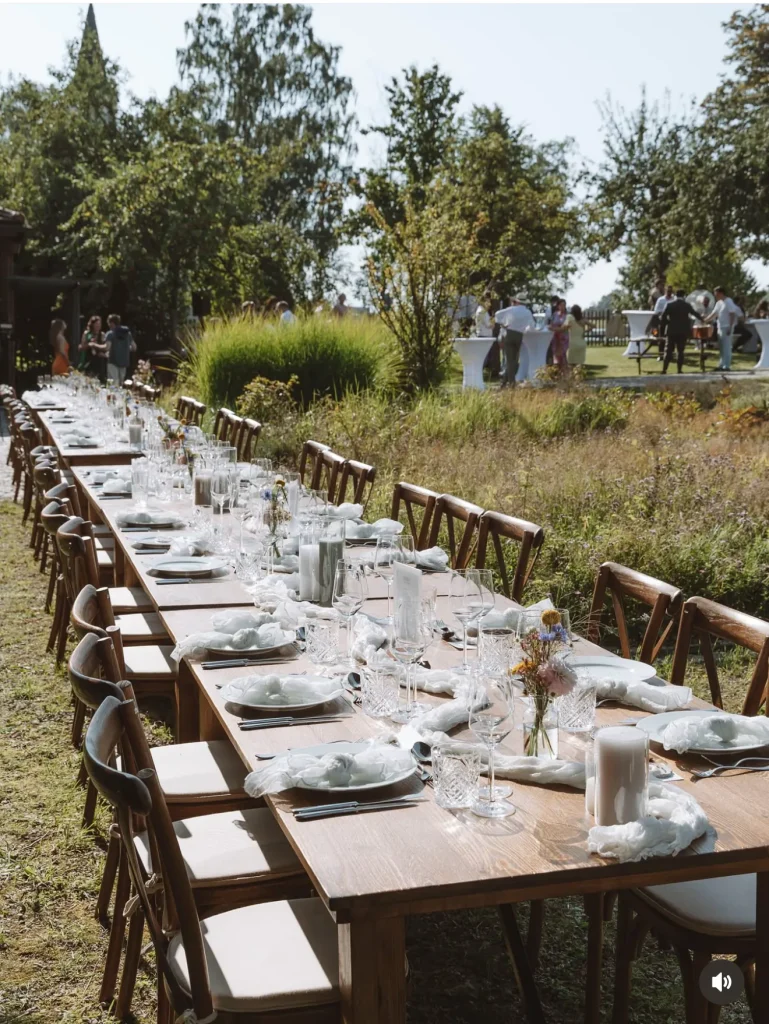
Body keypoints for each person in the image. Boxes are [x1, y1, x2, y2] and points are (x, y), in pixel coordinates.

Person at [494, 293, 535, 386]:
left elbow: (497, 314)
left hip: (509, 333)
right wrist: (525, 329)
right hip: (519, 335)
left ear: (517, 301)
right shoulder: (527, 312)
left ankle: (510, 382)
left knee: (509, 359)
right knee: (514, 359)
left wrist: (502, 324)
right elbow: (531, 326)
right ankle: (506, 381)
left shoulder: (511, 309)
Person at [659, 290, 702, 374]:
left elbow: (663, 317)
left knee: (668, 351)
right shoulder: (687, 305)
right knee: (680, 351)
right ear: (684, 296)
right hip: (683, 331)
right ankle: (679, 370)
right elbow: (694, 313)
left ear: (675, 295)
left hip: (671, 331)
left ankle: (664, 369)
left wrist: (668, 323)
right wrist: (703, 319)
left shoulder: (670, 305)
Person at [705, 286, 739, 370]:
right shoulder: (719, 303)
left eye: (716, 293)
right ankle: (721, 364)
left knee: (726, 346)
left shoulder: (728, 301)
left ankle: (727, 366)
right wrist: (705, 320)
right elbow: (714, 314)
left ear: (721, 293)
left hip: (727, 326)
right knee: (721, 347)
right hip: (720, 326)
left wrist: (730, 327)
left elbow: (732, 314)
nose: (715, 295)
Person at [104, 314, 136, 385]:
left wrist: (95, 345)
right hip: (124, 362)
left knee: (113, 383)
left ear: (111, 323)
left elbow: (107, 348)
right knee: (121, 383)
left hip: (113, 361)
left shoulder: (110, 334)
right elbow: (134, 347)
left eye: (109, 323)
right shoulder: (127, 333)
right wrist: (125, 349)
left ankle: (113, 396)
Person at [78, 314, 107, 379]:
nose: (98, 325)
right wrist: (89, 344)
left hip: (99, 361)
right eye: (96, 324)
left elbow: (105, 347)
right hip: (88, 359)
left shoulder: (102, 334)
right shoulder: (87, 333)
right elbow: (81, 347)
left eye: (99, 324)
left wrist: (96, 346)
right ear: (92, 324)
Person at [652, 284, 674, 357]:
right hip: (663, 321)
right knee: (661, 338)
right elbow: (656, 310)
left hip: (672, 321)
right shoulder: (661, 300)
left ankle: (670, 354)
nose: (669, 292)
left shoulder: (674, 299)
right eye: (668, 291)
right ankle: (660, 354)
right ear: (665, 291)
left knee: (671, 338)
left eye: (670, 291)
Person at [550, 298, 569, 372]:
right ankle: (557, 374)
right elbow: (551, 324)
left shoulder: (567, 316)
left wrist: (554, 329)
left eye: (564, 305)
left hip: (563, 338)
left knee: (563, 355)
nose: (563, 306)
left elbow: (565, 328)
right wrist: (553, 328)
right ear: (558, 306)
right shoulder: (554, 314)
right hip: (555, 338)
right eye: (561, 305)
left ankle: (565, 373)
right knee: (556, 356)